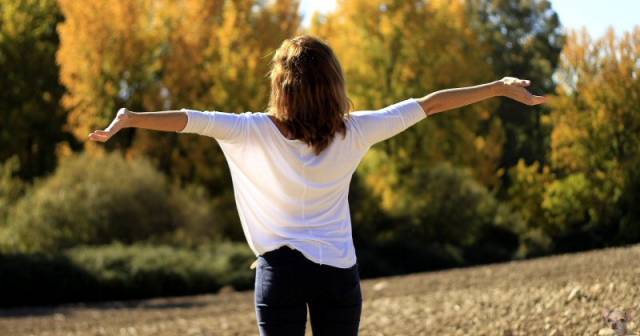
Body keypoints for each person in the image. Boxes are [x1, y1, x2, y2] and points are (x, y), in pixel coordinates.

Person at [89, 35, 545, 336]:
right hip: (338, 274)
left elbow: (189, 120)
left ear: (281, 87)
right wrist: (498, 87)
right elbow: (428, 105)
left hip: (280, 276)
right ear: (333, 85)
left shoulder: (251, 130)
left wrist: (131, 119)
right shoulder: (357, 130)